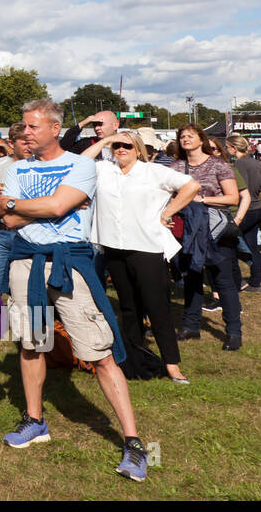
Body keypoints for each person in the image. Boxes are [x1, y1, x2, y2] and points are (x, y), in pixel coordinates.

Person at [0, 99, 149, 482]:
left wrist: (28, 205)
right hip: (25, 262)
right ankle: (35, 421)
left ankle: (132, 442)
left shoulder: (82, 164)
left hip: (70, 263)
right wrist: (34, 206)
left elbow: (56, 206)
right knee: (31, 344)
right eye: (24, 127)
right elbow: (9, 216)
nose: (25, 133)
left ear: (53, 128)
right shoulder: (16, 167)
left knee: (97, 351)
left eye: (32, 127)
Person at [84, 131, 198, 384]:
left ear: (138, 149)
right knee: (128, 307)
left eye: (126, 145)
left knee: (157, 307)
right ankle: (133, 359)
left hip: (147, 247)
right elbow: (79, 163)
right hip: (113, 246)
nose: (121, 149)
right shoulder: (104, 169)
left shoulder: (153, 172)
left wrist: (168, 212)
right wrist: (105, 141)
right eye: (117, 146)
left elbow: (191, 186)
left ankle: (172, 364)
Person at [169, 124, 243, 349]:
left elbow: (233, 198)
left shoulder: (218, 164)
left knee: (222, 280)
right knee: (191, 277)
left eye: (190, 135)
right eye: (182, 136)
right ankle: (191, 326)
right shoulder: (176, 166)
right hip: (188, 229)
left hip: (215, 229)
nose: (185, 139)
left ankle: (233, 332)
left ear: (201, 140)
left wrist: (202, 200)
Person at [0, 123, 32, 295]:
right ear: (11, 143)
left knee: (25, 285)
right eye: (24, 142)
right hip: (1, 233)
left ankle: (33, 320)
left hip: (27, 232)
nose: (29, 146)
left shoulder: (39, 165)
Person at [226, 134, 261, 292]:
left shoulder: (239, 164)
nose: (226, 149)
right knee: (251, 246)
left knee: (227, 244)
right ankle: (255, 283)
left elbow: (240, 189)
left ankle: (236, 281)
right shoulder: (255, 162)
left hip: (246, 209)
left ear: (234, 148)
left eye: (227, 147)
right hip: (257, 208)